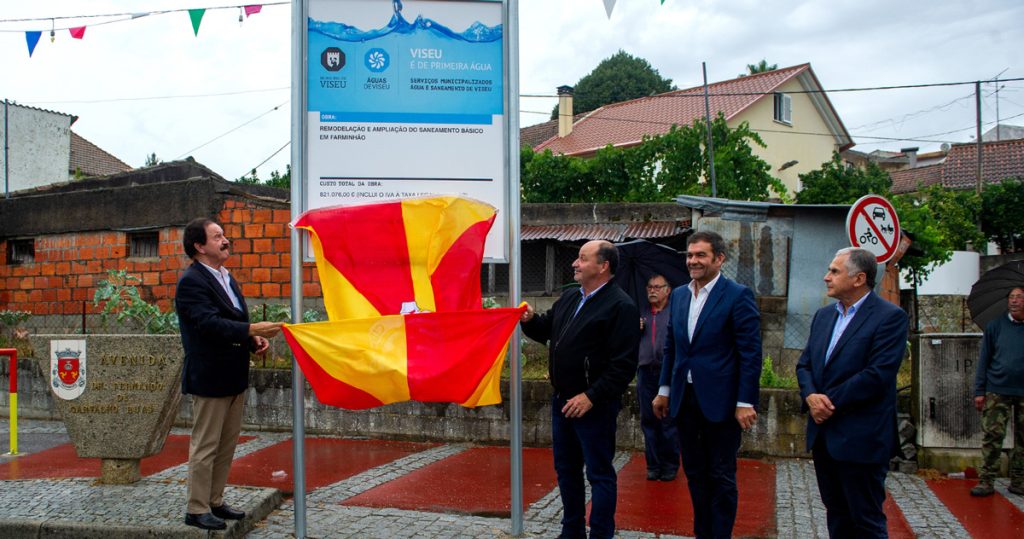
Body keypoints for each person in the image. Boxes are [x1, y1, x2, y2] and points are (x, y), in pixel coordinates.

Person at [520, 240, 640, 539]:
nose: (575, 263)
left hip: (593, 407)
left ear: (603, 266)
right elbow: (547, 330)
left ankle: (601, 533)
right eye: (577, 257)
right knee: (566, 471)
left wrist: (590, 396)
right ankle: (571, 531)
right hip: (562, 402)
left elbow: (623, 367)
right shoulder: (571, 297)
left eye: (583, 258)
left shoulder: (621, 306)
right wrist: (530, 319)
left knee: (599, 474)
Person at [653, 230, 762, 539]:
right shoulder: (680, 295)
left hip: (722, 403)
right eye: (690, 255)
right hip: (685, 401)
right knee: (696, 474)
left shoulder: (737, 295)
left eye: (701, 255)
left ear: (719, 258)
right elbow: (672, 347)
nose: (693, 261)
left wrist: (745, 401)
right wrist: (664, 391)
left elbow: (750, 353)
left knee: (722, 476)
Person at [175, 218, 282, 530]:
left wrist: (251, 341)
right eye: (217, 236)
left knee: (227, 443)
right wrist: (252, 328)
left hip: (233, 375)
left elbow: (230, 320)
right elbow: (208, 325)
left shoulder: (225, 276)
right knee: (206, 445)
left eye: (224, 235)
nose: (225, 240)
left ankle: (215, 501)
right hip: (209, 377)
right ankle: (196, 508)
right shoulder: (192, 281)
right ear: (199, 246)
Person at [795, 247, 908, 538]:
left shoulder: (889, 317)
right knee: (837, 515)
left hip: (861, 437)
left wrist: (827, 402)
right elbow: (805, 364)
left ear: (859, 279)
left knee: (866, 519)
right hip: (824, 436)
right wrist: (810, 397)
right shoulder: (823, 316)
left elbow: (877, 374)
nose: (826, 277)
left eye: (834, 271)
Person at [970, 286, 1024, 497]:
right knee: (992, 435)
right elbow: (984, 360)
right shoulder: (995, 326)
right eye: (1012, 297)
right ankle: (986, 480)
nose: (1015, 301)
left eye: (1019, 297)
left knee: (1023, 439)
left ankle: (1018, 480)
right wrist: (979, 390)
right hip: (997, 388)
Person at [637, 274, 680, 481]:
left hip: (668, 371)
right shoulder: (641, 313)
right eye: (649, 287)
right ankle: (653, 465)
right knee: (648, 420)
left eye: (657, 287)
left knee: (668, 421)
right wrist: (634, 329)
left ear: (667, 290)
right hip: (646, 372)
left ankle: (670, 464)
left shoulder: (675, 312)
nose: (652, 291)